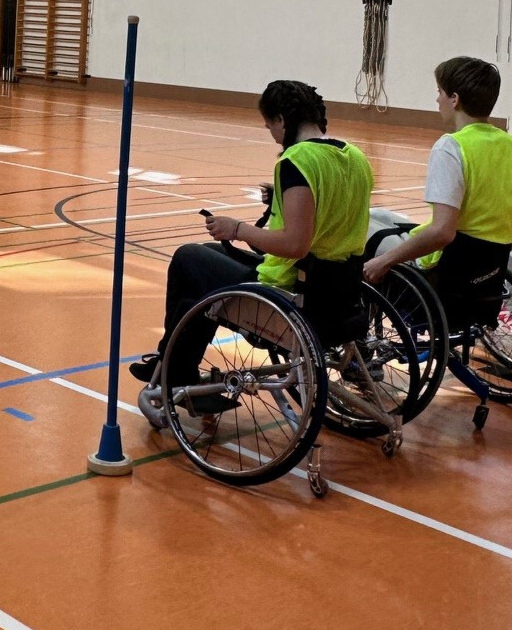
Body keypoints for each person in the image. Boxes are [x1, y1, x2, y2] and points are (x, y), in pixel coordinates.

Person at [130, 79, 374, 407]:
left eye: (269, 125)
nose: (271, 133)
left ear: (282, 121)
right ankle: (175, 366)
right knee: (206, 259)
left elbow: (295, 244)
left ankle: (173, 366)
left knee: (187, 258)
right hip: (338, 287)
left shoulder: (296, 161)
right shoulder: (356, 157)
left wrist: (238, 229)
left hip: (293, 291)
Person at [364, 56, 512, 327]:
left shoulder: (451, 147)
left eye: (440, 92)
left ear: (454, 98)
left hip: (441, 275)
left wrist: (384, 261)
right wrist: (488, 255)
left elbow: (442, 232)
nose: (437, 100)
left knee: (358, 228)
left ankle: (356, 342)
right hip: (485, 277)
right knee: (379, 214)